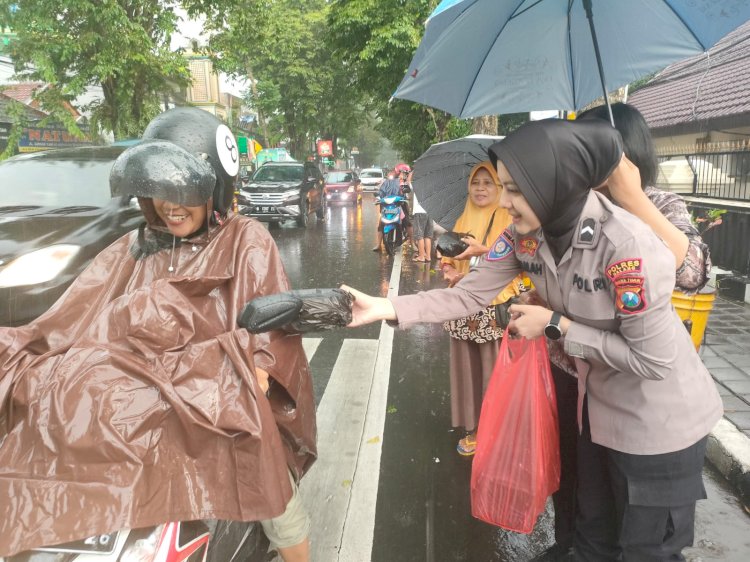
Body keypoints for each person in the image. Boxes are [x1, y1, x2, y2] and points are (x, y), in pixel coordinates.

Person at [343, 118, 723, 561]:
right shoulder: (524, 239)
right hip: (597, 412)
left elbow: (652, 361)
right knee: (591, 540)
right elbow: (471, 292)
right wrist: (387, 307)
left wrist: (557, 325)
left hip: (659, 424)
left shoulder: (626, 245)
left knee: (645, 552)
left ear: (554, 184)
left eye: (516, 189)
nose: (504, 201)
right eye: (503, 187)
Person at [0, 107, 315, 562]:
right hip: (147, 398)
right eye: (159, 191)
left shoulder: (246, 239)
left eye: (182, 191)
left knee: (268, 481)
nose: (170, 204)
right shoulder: (135, 246)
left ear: (215, 190)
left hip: (219, 396)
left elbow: (268, 321)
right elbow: (79, 316)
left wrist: (255, 367)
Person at [532, 102, 713, 562]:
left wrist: (631, 199)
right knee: (579, 497)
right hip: (576, 380)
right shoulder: (570, 210)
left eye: (589, 149)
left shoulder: (659, 205)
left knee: (641, 531)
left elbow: (690, 272)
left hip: (638, 385)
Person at [439, 162, 523, 455]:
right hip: (462, 307)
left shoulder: (509, 218)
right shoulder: (464, 216)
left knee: (492, 371)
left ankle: (496, 428)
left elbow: (520, 257)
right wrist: (449, 270)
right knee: (466, 371)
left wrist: (483, 250)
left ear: (499, 188)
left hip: (493, 307)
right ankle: (473, 427)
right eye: (476, 183)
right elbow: (448, 253)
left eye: (488, 183)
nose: (481, 189)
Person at [372, 168, 413, 252]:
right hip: (387, 206)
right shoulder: (384, 182)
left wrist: (404, 193)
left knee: (407, 222)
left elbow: (406, 191)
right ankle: (378, 244)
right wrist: (378, 197)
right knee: (381, 224)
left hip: (399, 204)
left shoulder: (401, 182)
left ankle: (413, 243)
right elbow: (380, 192)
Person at [411, 190, 434, 262]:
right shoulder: (432, 184)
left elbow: (409, 183)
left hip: (419, 211)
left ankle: (421, 256)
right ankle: (428, 256)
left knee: (419, 235)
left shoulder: (417, 183)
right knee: (428, 235)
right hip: (429, 211)